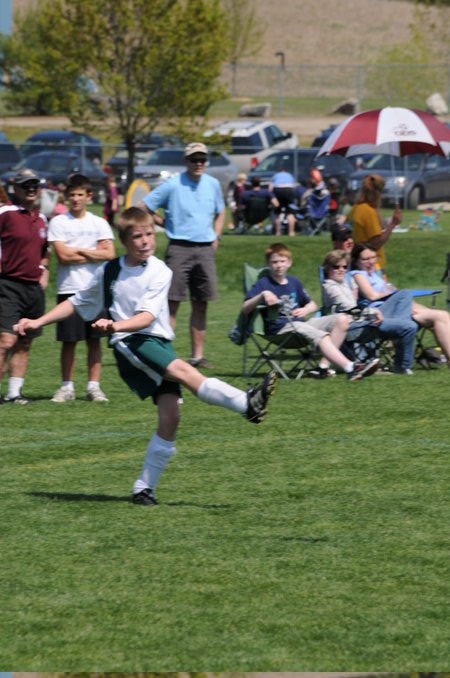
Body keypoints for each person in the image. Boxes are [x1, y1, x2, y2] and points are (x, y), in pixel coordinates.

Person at [14, 207, 277, 506]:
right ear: (125, 241)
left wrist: (114, 324)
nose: (145, 241)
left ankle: (143, 489)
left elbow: (147, 316)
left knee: (171, 416)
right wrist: (38, 321)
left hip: (154, 340)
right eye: (137, 237)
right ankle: (246, 403)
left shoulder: (160, 271)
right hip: (131, 343)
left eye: (149, 234)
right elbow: (77, 302)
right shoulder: (109, 271)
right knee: (186, 373)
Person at [139, 142, 225, 369]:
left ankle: (197, 357)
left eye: (202, 159)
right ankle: (165, 355)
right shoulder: (172, 185)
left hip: (205, 250)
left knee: (201, 303)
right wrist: (163, 223)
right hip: (179, 249)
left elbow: (221, 211)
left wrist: (216, 237)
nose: (199, 163)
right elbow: (145, 206)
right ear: (186, 161)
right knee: (171, 303)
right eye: (194, 159)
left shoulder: (213, 184)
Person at [242, 242, 380, 381]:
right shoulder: (263, 283)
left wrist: (305, 309)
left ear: (289, 262)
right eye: (274, 262)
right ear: (268, 263)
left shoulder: (293, 282)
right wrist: (262, 295)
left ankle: (322, 368)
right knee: (319, 334)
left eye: (282, 261)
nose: (279, 265)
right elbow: (245, 308)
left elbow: (312, 304)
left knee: (342, 319)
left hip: (302, 324)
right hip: (281, 329)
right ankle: (351, 367)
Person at [47, 173, 116, 402]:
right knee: (69, 341)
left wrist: (79, 250)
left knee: (94, 340)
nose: (75, 199)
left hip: (95, 289)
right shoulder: (58, 222)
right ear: (67, 197)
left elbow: (110, 254)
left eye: (80, 195)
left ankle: (94, 387)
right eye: (72, 195)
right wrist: (94, 253)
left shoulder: (99, 223)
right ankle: (67, 387)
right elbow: (63, 257)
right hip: (69, 288)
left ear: (88, 196)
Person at [350, 242, 450, 369]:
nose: (371, 262)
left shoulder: (373, 274)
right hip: (380, 315)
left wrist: (410, 305)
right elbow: (371, 296)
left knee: (442, 315)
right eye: (366, 259)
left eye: (373, 257)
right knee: (406, 294)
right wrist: (393, 294)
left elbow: (392, 293)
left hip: (396, 309)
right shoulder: (358, 274)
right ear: (357, 261)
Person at [322, 248, 418, 374]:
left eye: (344, 267)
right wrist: (371, 311)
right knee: (409, 326)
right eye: (336, 267)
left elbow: (355, 302)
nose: (341, 270)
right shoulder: (329, 286)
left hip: (362, 318)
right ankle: (402, 367)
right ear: (327, 268)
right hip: (355, 327)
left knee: (404, 294)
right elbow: (349, 307)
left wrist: (354, 288)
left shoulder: (344, 282)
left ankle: (398, 328)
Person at [0, 168, 49, 404]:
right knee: (6, 341)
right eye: (25, 185)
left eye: (34, 185)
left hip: (33, 289)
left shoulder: (42, 219)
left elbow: (45, 251)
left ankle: (14, 393)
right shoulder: (5, 213)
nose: (30, 189)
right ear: (15, 189)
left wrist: (44, 270)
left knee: (25, 342)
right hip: (8, 285)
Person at [348, 173, 402, 273]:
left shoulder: (355, 208)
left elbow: (381, 227)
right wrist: (392, 225)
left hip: (358, 262)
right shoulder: (369, 212)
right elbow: (376, 243)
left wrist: (376, 208)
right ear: (378, 193)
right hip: (372, 266)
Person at [270, 167, 296, 236]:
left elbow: (270, 188)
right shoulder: (290, 175)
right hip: (289, 190)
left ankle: (278, 232)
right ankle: (291, 232)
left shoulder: (275, 175)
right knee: (290, 213)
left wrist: (272, 198)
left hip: (278, 190)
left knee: (277, 213)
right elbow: (293, 186)